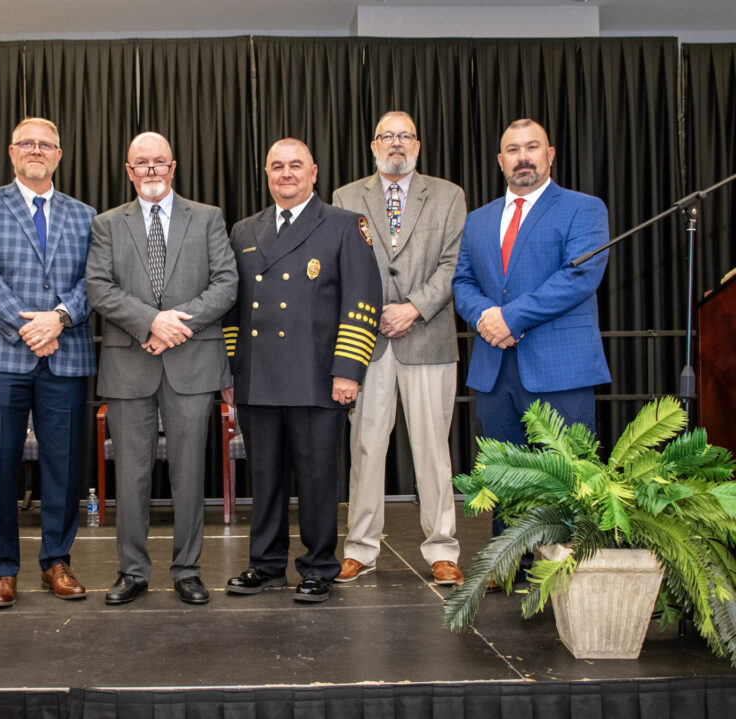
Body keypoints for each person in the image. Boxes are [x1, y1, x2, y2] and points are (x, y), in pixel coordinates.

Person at [223, 138, 382, 603]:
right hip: (258, 376)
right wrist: (235, 371)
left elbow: (362, 300)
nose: (286, 174)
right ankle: (266, 564)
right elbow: (233, 308)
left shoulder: (343, 224)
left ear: (314, 172)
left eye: (295, 165)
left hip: (318, 378)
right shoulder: (244, 230)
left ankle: (318, 566)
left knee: (316, 479)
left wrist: (348, 370)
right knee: (265, 479)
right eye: (277, 166)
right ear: (267, 174)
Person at [86, 132, 238, 606]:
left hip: (191, 363)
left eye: (159, 162)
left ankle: (188, 569)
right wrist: (150, 321)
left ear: (173, 167)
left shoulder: (208, 217)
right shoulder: (107, 224)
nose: (151, 170)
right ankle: (132, 571)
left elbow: (226, 282)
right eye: (141, 163)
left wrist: (176, 326)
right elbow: (99, 287)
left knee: (189, 474)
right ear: (129, 171)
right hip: (129, 362)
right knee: (130, 475)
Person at [452, 118, 610, 540]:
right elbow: (462, 282)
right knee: (504, 478)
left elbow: (578, 277)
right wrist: (487, 316)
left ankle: (567, 568)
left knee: (566, 477)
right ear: (500, 160)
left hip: (561, 370)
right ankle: (512, 565)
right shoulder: (479, 220)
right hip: (494, 369)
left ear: (550, 155)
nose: (523, 158)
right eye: (513, 150)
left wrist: (510, 318)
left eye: (532, 147)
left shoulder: (584, 208)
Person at [0, 117, 96, 608]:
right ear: (12, 153)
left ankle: (57, 562)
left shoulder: (86, 215)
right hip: (2, 354)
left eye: (46, 145)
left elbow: (95, 280)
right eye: (27, 144)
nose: (36, 151)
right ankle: (1, 570)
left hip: (66, 352)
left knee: (63, 465)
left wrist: (58, 318)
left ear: (59, 155)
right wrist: (29, 327)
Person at [332, 111, 467, 587]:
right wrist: (377, 315)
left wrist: (413, 308)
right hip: (367, 343)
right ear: (373, 146)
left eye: (404, 135)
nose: (395, 143)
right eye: (387, 136)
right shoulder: (346, 198)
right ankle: (360, 549)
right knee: (366, 448)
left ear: (418, 144)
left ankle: (443, 549)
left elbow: (455, 264)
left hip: (427, 336)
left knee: (433, 450)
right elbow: (344, 268)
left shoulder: (449, 196)